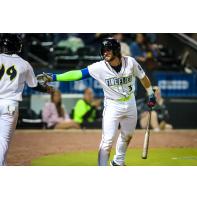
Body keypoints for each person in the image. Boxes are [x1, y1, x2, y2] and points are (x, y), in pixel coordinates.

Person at [37, 38, 156, 166]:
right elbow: (77, 74)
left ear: (116, 50)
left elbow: (143, 78)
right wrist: (54, 77)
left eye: (108, 50)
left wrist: (151, 94)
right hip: (112, 105)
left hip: (130, 103)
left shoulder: (130, 62)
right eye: (103, 51)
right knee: (108, 140)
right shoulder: (99, 67)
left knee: (127, 135)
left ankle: (118, 162)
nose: (105, 53)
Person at [0, 34, 54, 166]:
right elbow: (34, 85)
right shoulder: (24, 64)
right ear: (18, 46)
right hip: (9, 105)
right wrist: (47, 89)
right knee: (3, 141)